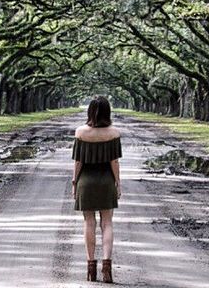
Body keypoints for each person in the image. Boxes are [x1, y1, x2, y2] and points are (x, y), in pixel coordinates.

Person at [71, 96, 122, 283]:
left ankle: (90, 268)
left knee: (89, 222)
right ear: (107, 112)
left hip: (86, 182)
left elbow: (78, 161)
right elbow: (114, 162)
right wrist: (118, 182)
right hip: (106, 181)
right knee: (107, 223)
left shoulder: (80, 132)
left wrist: (74, 182)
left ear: (90, 111)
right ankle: (107, 266)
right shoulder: (114, 133)